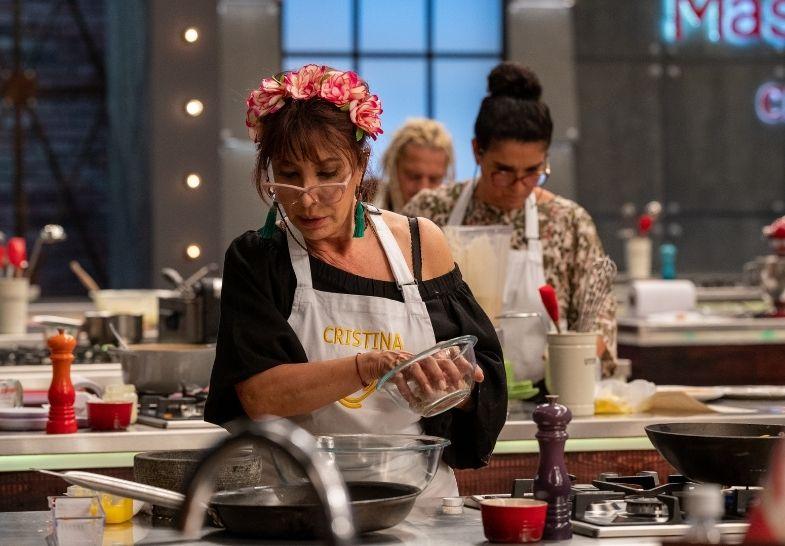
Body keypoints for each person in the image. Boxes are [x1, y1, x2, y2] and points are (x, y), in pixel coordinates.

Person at [205, 64, 506, 499]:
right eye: (288, 175)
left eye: (328, 174)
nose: (307, 198)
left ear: (361, 164)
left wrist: (452, 387)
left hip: (419, 503)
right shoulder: (259, 258)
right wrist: (366, 366)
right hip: (307, 505)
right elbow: (260, 395)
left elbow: (483, 382)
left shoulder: (421, 245)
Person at [403, 62, 617, 382]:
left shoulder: (568, 223)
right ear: (477, 151)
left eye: (532, 171)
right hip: (449, 395)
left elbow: (600, 321)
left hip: (546, 396)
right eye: (503, 171)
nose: (519, 185)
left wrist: (574, 353)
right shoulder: (430, 211)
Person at [373, 118, 455, 212]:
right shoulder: (362, 199)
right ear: (393, 168)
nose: (423, 189)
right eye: (414, 177)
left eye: (434, 179)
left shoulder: (455, 214)